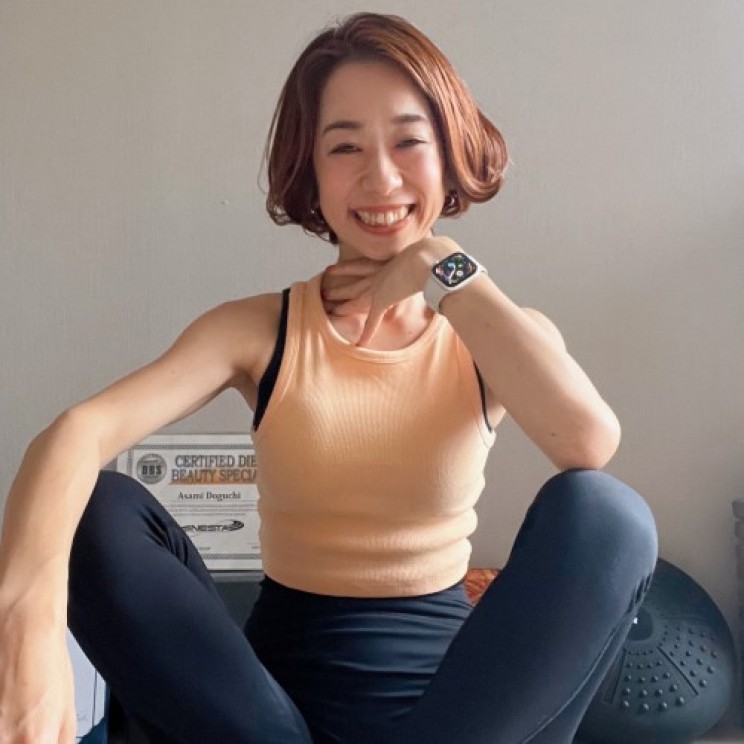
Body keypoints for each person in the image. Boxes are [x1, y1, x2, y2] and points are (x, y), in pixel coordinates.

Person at [0, 12, 657, 744]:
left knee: (605, 512)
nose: (381, 177)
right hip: (268, 719)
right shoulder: (260, 329)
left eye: (409, 141)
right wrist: (28, 630)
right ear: (311, 172)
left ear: (449, 154)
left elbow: (588, 442)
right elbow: (77, 434)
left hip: (457, 717)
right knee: (96, 505)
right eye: (345, 146)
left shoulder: (491, 332)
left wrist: (446, 269)